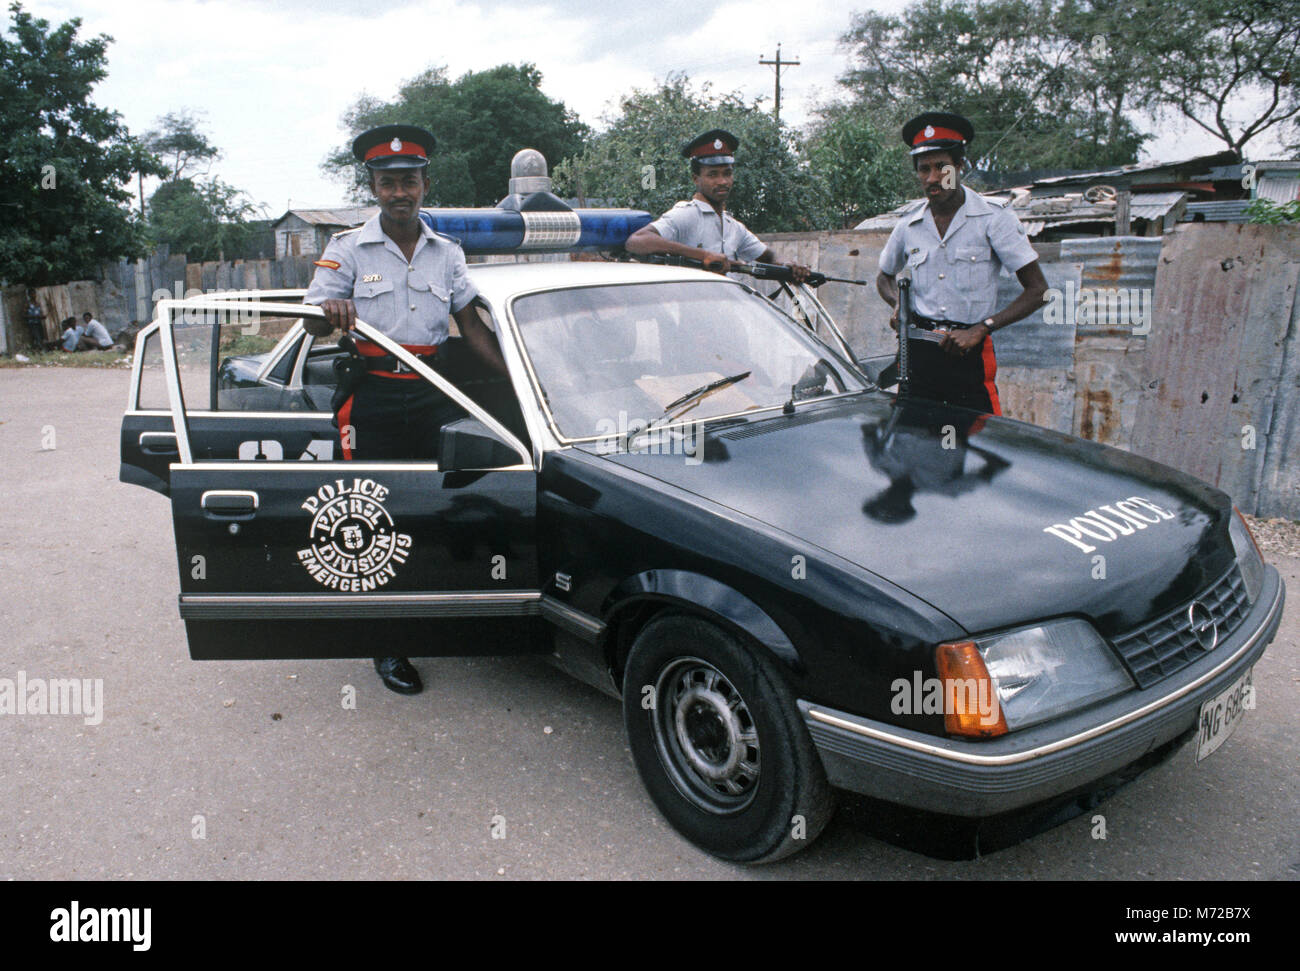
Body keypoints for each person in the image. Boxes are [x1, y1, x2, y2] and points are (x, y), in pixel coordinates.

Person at [303, 123, 508, 696]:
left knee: (440, 509)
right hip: (376, 395)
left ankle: (436, 613)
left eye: (409, 181)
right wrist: (332, 310)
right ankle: (387, 642)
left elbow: (471, 326)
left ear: (423, 184)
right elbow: (309, 316)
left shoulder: (448, 253)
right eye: (389, 182)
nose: (400, 192)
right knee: (376, 517)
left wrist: (514, 376)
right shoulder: (346, 249)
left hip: (433, 391)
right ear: (374, 186)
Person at [875, 112, 1048, 414]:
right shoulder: (909, 225)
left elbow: (1038, 291)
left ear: (960, 167)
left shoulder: (994, 218)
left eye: (942, 167)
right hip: (918, 354)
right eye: (923, 169)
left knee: (978, 437)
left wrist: (982, 328)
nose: (931, 178)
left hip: (969, 353)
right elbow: (884, 277)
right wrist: (897, 305)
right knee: (913, 441)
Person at [626, 129, 810, 283]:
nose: (722, 181)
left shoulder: (732, 226)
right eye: (713, 175)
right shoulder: (687, 215)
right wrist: (702, 255)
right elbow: (637, 241)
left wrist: (789, 265)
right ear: (696, 179)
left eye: (727, 173)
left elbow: (768, 257)